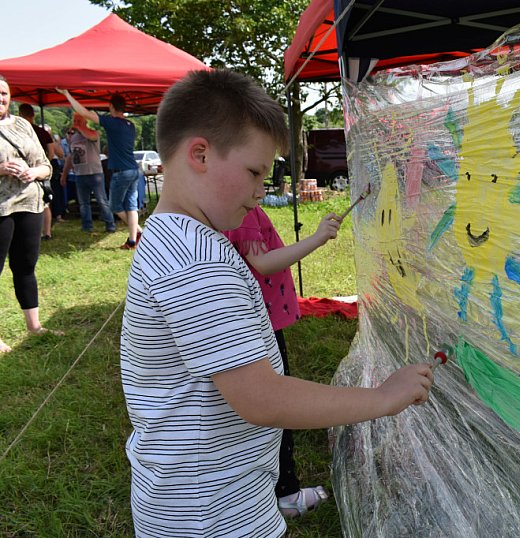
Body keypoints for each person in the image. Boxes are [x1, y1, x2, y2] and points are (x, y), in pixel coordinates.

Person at [120, 68, 433, 537]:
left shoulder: (175, 237)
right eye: (253, 172)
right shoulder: (195, 259)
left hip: (205, 493)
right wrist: (383, 398)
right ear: (199, 154)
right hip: (212, 512)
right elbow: (261, 398)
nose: (260, 190)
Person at [222, 206, 341, 518]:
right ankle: (286, 493)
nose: (261, 188)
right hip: (263, 324)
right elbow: (263, 262)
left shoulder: (234, 211)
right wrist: (316, 239)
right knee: (278, 410)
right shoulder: (244, 214)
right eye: (254, 174)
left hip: (258, 321)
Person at [0, 76, 58, 353]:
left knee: (25, 268)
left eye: (4, 93)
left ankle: (34, 326)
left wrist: (35, 172)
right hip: (0, 207)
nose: (1, 98)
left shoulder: (23, 124)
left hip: (30, 203)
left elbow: (45, 165)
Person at [56, 88, 142, 249]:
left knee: (115, 206)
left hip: (121, 171)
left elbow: (84, 112)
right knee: (131, 206)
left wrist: (67, 94)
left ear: (111, 106)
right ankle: (132, 240)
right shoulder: (130, 125)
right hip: (134, 170)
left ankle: (137, 232)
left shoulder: (112, 122)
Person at [60, 114, 115, 233]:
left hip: (95, 173)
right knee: (83, 203)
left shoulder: (93, 133)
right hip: (80, 175)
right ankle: (87, 226)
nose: (76, 123)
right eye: (75, 120)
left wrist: (79, 128)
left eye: (79, 120)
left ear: (85, 122)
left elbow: (91, 137)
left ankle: (110, 224)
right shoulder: (73, 138)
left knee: (102, 201)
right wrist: (64, 175)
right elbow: (70, 157)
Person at [17, 103, 63, 240]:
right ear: (33, 115)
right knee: (45, 202)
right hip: (41, 170)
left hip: (24, 170)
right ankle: (47, 232)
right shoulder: (42, 132)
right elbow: (51, 152)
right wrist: (44, 165)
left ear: (20, 114)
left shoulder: (19, 132)